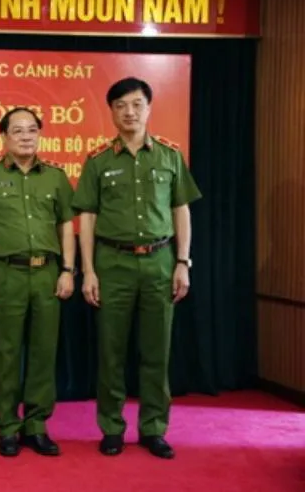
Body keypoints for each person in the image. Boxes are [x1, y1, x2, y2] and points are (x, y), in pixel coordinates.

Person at [72, 77, 202, 459]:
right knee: (111, 352)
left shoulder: (170, 155)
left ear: (148, 108)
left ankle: (154, 428)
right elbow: (87, 217)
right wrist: (88, 270)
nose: (129, 112)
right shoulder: (98, 160)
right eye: (121, 106)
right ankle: (112, 427)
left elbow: (181, 210)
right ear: (112, 112)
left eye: (136, 104)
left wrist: (183, 262)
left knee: (156, 351)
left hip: (160, 261)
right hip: (113, 263)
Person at [0, 107, 76, 458]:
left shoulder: (56, 177)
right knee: (6, 352)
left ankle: (37, 425)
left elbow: (66, 224)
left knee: (44, 351)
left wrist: (68, 269)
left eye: (32, 130)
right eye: (17, 130)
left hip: (47, 273)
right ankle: (7, 426)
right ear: (3, 137)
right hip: (6, 272)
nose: (26, 136)